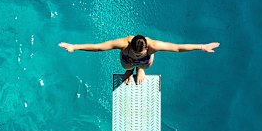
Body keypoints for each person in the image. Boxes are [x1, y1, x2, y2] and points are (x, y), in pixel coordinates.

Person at [59, 35, 219, 85]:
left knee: (145, 65)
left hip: (145, 62)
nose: (137, 55)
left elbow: (177, 47)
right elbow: (99, 47)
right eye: (136, 54)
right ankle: (130, 71)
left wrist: (201, 46)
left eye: (139, 54)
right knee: (126, 64)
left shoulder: (153, 46)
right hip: (126, 60)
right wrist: (75, 46)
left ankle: (140, 69)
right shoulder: (123, 44)